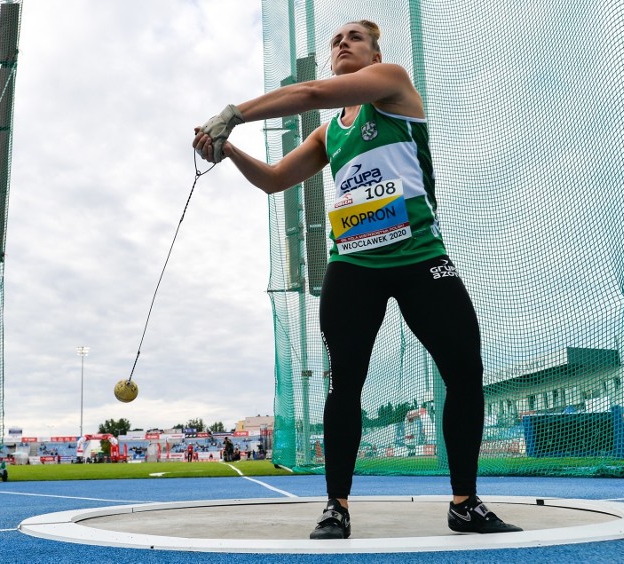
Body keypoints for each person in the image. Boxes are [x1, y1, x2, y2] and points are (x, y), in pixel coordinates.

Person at [193, 19, 521, 539]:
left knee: (464, 369)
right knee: (344, 385)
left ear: (372, 56)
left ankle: (465, 502)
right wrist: (228, 150)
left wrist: (233, 115)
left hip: (419, 257)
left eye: (355, 39)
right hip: (354, 267)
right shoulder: (330, 132)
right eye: (336, 41)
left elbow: (311, 92)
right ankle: (336, 507)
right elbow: (276, 181)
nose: (342, 44)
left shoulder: (391, 83)